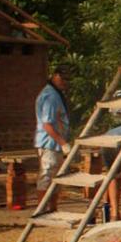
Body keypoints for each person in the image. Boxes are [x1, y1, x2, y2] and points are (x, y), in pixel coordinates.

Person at [33, 64, 72, 211]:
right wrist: (63, 143)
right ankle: (41, 210)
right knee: (46, 176)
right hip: (50, 143)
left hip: (54, 143)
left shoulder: (55, 94)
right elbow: (47, 124)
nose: (65, 82)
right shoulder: (51, 96)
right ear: (55, 76)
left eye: (67, 79)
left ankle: (53, 209)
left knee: (56, 179)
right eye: (62, 78)